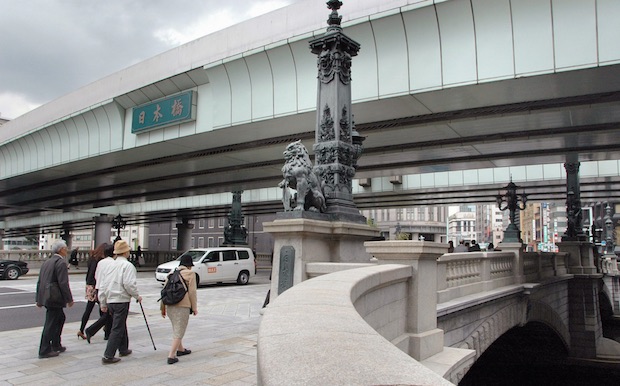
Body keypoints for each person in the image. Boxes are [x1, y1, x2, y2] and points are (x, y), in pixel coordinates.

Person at [98, 240, 142, 364]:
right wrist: (136, 295)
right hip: (121, 299)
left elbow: (103, 285)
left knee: (119, 324)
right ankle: (108, 355)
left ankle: (123, 348)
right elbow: (129, 284)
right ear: (126, 252)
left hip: (110, 299)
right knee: (117, 327)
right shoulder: (127, 266)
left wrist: (103, 302)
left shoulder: (110, 265)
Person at [35, 240, 74, 358]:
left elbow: (40, 281)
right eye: (65, 248)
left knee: (60, 318)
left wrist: (39, 298)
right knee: (51, 323)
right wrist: (69, 299)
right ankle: (45, 349)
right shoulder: (60, 263)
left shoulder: (47, 262)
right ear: (61, 249)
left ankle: (56, 344)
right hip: (55, 297)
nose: (67, 250)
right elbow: (63, 283)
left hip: (47, 296)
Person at [160, 254, 198, 364]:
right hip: (183, 306)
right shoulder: (191, 274)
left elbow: (164, 292)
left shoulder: (171, 274)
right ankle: (171, 356)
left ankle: (181, 349)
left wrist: (162, 308)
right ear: (189, 265)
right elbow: (192, 293)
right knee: (179, 329)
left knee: (177, 327)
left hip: (170, 306)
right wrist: (194, 307)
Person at [84, 244, 115, 342]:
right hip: (101, 287)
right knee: (107, 312)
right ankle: (93, 330)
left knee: (94, 309)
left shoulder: (96, 260)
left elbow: (95, 274)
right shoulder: (107, 262)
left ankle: (105, 332)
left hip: (94, 286)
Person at [77, 243, 107, 340]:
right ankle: (105, 329)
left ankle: (81, 329)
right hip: (96, 286)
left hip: (89, 285)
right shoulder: (100, 260)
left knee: (88, 309)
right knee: (103, 308)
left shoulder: (91, 258)